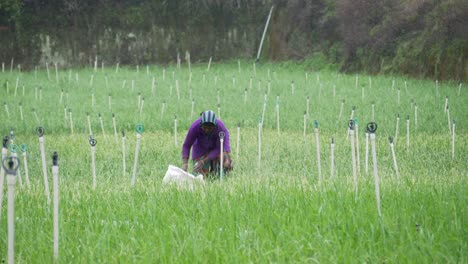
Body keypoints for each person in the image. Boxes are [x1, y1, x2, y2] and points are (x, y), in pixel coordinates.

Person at [182, 110, 233, 178]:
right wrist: (185, 164)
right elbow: (186, 146)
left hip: (215, 148)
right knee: (198, 174)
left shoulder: (219, 126)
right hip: (200, 149)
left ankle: (220, 178)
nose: (207, 130)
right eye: (204, 127)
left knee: (224, 160)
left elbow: (219, 148)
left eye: (210, 128)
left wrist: (227, 155)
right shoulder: (195, 127)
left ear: (214, 126)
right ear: (201, 125)